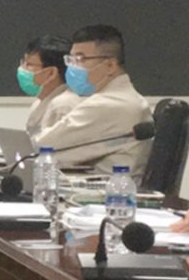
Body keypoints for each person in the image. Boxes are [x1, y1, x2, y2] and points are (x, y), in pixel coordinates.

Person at [33, 25, 152, 179]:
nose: (72, 67)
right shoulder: (126, 98)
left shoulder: (108, 104)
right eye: (70, 59)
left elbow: (42, 146)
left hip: (112, 191)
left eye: (80, 59)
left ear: (110, 65)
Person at [19, 35, 82, 137]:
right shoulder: (39, 102)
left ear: (51, 73)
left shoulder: (63, 105)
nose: (22, 69)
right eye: (23, 62)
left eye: (29, 64)